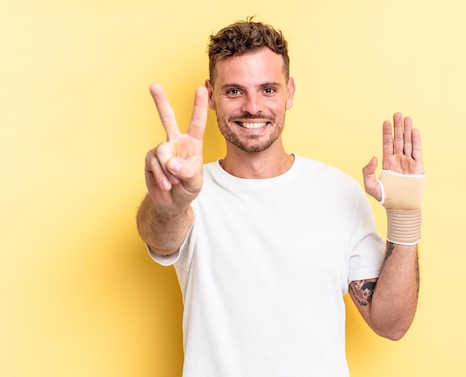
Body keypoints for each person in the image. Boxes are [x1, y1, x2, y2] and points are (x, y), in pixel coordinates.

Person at [136, 19, 425, 377]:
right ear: (211, 96)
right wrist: (171, 201)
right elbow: (160, 237)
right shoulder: (191, 192)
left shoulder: (339, 193)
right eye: (234, 91)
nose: (253, 107)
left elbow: (391, 323)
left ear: (289, 92)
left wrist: (404, 214)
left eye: (268, 89)